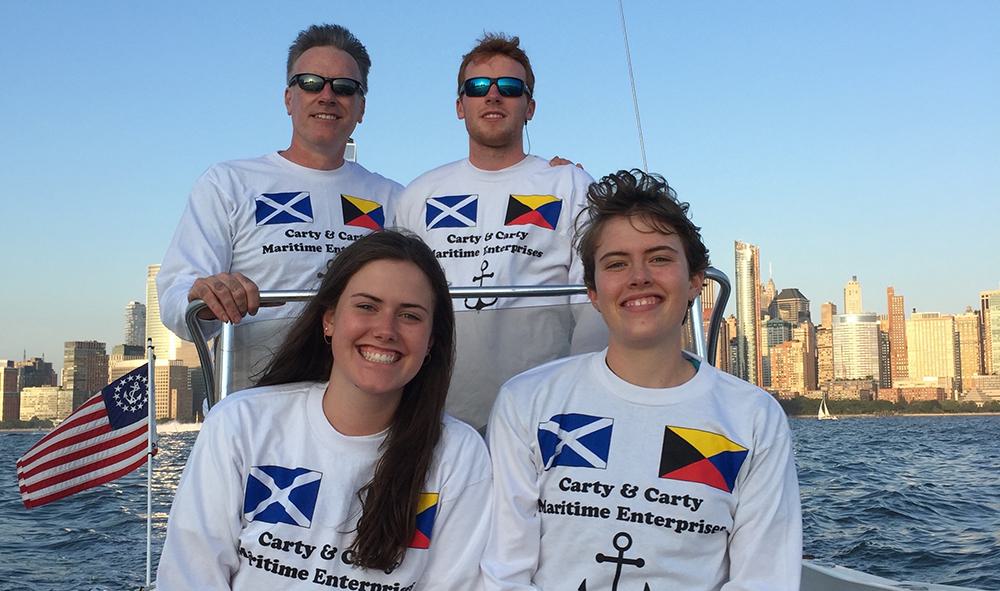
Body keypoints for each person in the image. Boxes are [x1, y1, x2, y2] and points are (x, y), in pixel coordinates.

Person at [482, 170, 802, 590]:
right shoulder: (528, 402)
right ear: (593, 292)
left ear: (694, 281)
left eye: (660, 258)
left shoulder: (753, 418)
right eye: (616, 263)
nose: (639, 277)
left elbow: (764, 580)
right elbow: (506, 572)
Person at [157, 231, 491, 590]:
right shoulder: (241, 424)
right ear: (329, 320)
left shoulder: (459, 454)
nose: (385, 330)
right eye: (367, 306)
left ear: (431, 343)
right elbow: (190, 577)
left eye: (410, 316)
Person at [156, 24, 401, 385]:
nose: (327, 95)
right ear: (289, 98)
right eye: (311, 82)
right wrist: (208, 295)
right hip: (257, 410)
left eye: (344, 87)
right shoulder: (228, 183)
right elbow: (177, 300)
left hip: (369, 406)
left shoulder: (394, 198)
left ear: (361, 107)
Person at [395, 33, 601, 429]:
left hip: (541, 408)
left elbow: (591, 302)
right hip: (436, 408)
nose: (493, 96)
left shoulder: (570, 186)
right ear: (460, 106)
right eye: (477, 87)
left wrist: (581, 394)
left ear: (530, 107)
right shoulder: (419, 195)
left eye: (509, 87)